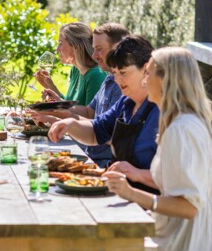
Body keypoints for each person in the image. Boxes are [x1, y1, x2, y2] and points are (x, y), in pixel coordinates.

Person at [103, 47, 212, 251]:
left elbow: (188, 207)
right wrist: (134, 176)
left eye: (148, 74)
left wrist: (132, 193)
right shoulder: (181, 123)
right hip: (188, 238)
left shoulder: (181, 130)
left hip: (188, 247)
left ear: (167, 79)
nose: (145, 81)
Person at [47, 35, 160, 194]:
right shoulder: (125, 103)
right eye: (114, 72)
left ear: (146, 70)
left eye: (123, 72)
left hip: (149, 205)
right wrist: (70, 125)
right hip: (119, 195)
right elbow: (96, 131)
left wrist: (137, 174)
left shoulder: (161, 111)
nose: (117, 79)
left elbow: (177, 180)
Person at [31, 23, 129, 166]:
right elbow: (90, 112)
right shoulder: (109, 78)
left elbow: (106, 133)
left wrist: (58, 116)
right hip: (91, 153)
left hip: (102, 161)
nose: (95, 55)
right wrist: (57, 108)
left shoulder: (112, 81)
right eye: (94, 49)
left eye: (99, 49)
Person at [34, 22, 106, 106]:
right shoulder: (76, 70)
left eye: (60, 44)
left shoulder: (96, 75)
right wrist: (51, 87)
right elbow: (70, 105)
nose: (57, 49)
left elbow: (89, 116)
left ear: (76, 46)